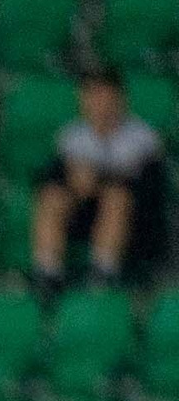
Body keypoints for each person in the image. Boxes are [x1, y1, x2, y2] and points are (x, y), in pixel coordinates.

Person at [32, 66, 167, 290]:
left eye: (106, 98)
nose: (100, 106)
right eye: (93, 97)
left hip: (132, 219)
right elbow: (50, 177)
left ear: (120, 99)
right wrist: (75, 182)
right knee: (52, 196)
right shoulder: (72, 137)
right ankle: (48, 273)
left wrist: (98, 181)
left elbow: (151, 189)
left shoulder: (144, 138)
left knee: (116, 197)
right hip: (83, 212)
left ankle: (103, 273)